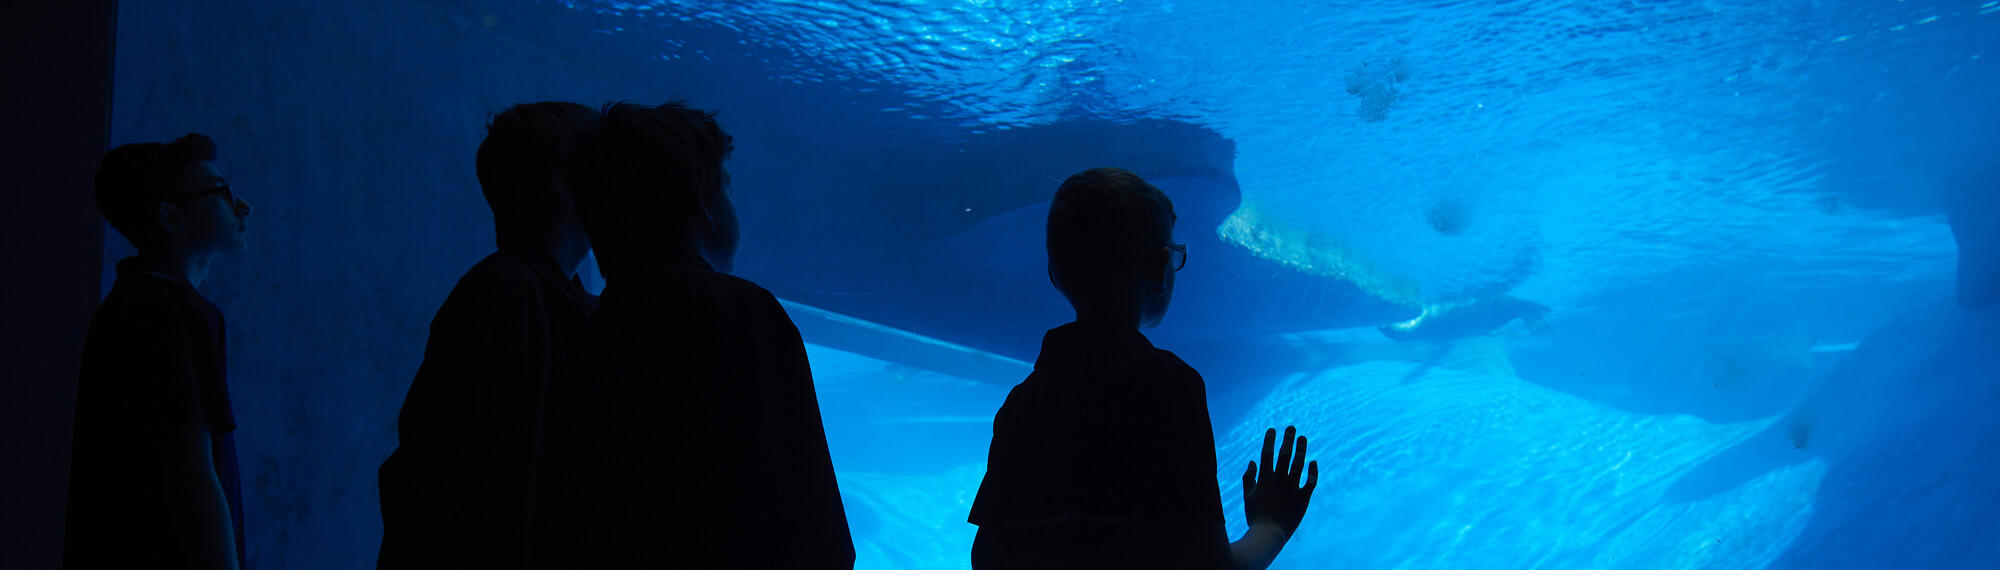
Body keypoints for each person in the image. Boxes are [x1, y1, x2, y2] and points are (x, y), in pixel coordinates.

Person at [527, 102, 853, 568]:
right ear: (704, 209)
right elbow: (809, 511)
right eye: (727, 188)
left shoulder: (588, 325)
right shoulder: (742, 311)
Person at [968, 167, 1317, 570]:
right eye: (1174, 255)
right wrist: (1271, 526)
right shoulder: (1168, 387)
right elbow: (1206, 567)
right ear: (1157, 271)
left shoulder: (1020, 406)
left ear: (1054, 275)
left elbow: (989, 556)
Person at [376, 102, 600, 568]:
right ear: (562, 183)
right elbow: (445, 471)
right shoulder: (505, 293)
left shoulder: (539, 295)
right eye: (602, 165)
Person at [64, 133, 254, 570]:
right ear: (172, 217)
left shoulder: (126, 304)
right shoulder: (175, 312)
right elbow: (193, 474)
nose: (241, 206)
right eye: (220, 191)